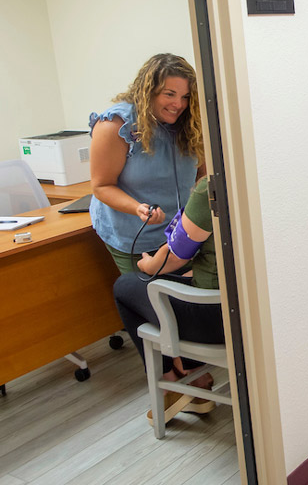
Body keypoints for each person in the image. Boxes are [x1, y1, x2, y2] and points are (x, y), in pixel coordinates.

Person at [114, 176, 225, 424]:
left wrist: (148, 264)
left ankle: (172, 387)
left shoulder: (212, 188)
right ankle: (194, 374)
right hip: (255, 311)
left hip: (215, 320)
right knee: (181, 277)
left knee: (125, 287)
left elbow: (173, 257)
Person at [89, 53, 205, 274]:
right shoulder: (116, 125)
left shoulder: (190, 122)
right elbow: (101, 185)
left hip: (182, 236)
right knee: (147, 301)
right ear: (148, 91)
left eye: (186, 97)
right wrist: (137, 208)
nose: (178, 104)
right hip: (134, 234)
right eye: (169, 94)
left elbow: (204, 177)